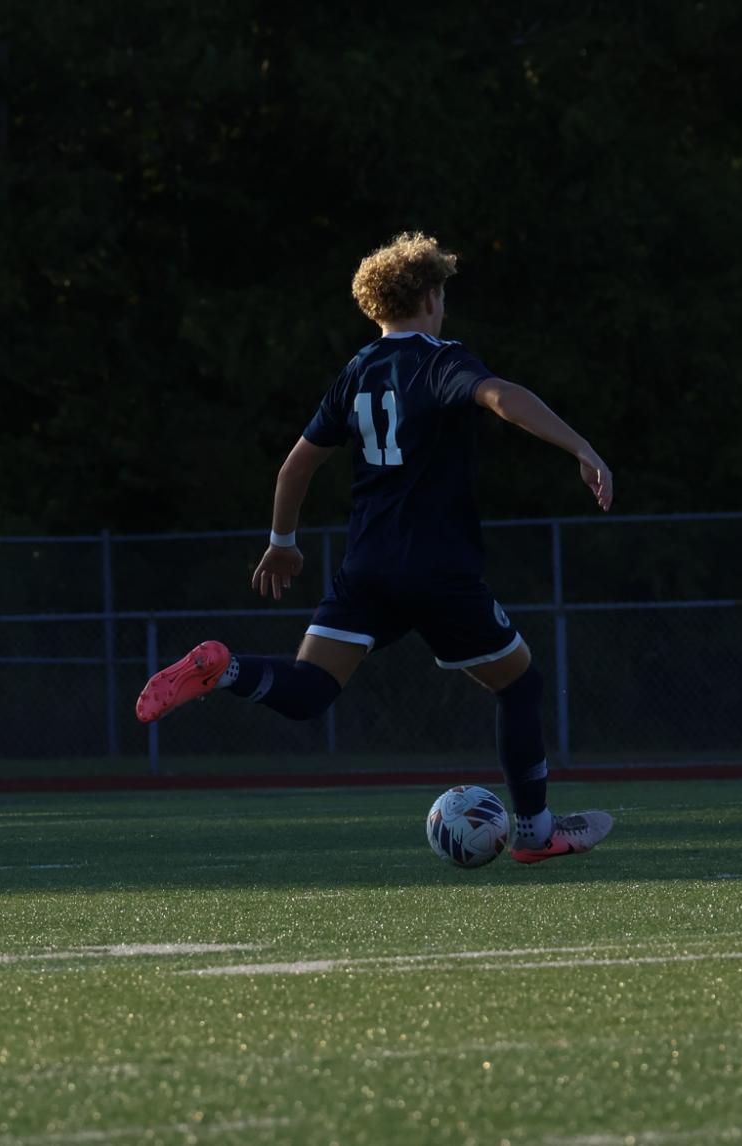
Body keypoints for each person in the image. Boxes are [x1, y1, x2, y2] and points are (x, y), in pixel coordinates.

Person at [135, 232, 615, 863]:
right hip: (439, 570)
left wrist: (283, 542)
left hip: (367, 566)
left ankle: (225, 669)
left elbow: (295, 469)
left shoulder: (357, 372)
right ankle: (532, 832)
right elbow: (501, 397)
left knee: (309, 690)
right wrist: (581, 447)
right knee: (521, 686)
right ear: (432, 295)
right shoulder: (441, 359)